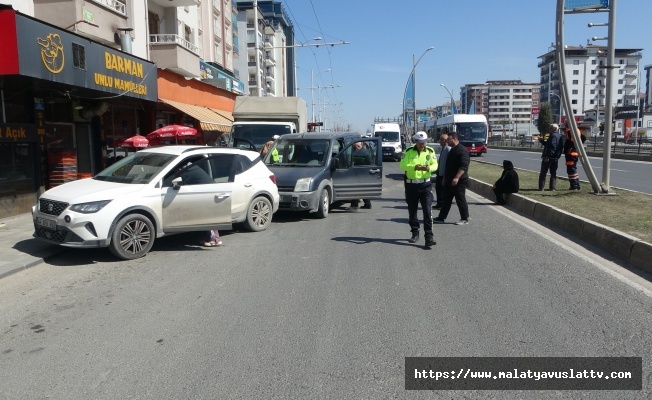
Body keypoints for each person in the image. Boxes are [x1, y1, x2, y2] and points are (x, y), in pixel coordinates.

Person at [400, 131, 438, 246]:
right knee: (412, 211)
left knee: (427, 211)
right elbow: (402, 165)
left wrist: (428, 168)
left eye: (424, 142)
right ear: (415, 142)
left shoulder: (430, 151)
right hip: (411, 186)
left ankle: (429, 237)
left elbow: (435, 165)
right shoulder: (408, 152)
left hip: (425, 185)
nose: (422, 145)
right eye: (420, 142)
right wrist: (414, 167)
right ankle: (415, 232)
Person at [433, 132, 470, 225]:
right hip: (448, 180)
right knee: (446, 199)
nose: (447, 141)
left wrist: (456, 177)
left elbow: (463, 167)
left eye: (449, 139)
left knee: (460, 199)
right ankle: (441, 217)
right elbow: (447, 166)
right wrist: (445, 178)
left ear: (454, 139)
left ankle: (464, 218)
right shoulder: (452, 150)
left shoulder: (462, 150)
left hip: (459, 181)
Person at [538, 123, 564, 191]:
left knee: (543, 172)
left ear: (554, 128)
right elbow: (560, 147)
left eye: (551, 127)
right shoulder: (559, 136)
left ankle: (541, 187)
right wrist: (541, 140)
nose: (549, 128)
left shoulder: (552, 136)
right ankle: (553, 187)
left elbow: (552, 146)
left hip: (549, 157)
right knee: (553, 173)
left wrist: (547, 156)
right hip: (555, 158)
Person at [350, 141, 373, 209]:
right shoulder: (365, 152)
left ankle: (354, 205)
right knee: (362, 189)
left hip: (360, 173)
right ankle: (367, 204)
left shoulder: (361, 153)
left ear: (358, 146)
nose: (354, 148)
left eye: (355, 147)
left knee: (356, 188)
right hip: (363, 174)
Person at [563, 125, 586, 190]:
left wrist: (571, 147)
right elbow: (583, 138)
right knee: (573, 170)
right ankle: (577, 185)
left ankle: (574, 186)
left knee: (571, 170)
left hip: (571, 154)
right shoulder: (576, 130)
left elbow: (570, 140)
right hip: (574, 153)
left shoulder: (571, 131)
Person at [433, 133, 450, 210]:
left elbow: (447, 163)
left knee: (442, 190)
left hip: (444, 174)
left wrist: (445, 175)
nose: (440, 141)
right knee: (438, 189)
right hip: (439, 173)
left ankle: (442, 204)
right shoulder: (443, 148)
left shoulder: (448, 149)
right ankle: (439, 203)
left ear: (445, 140)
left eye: (441, 140)